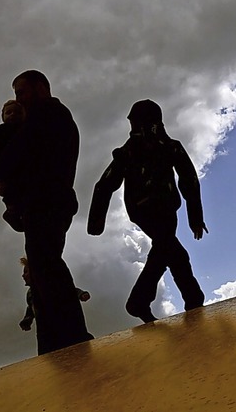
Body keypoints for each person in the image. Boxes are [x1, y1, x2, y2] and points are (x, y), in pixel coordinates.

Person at [0, 70, 93, 354]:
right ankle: (53, 341)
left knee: (46, 266)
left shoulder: (48, 114)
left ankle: (71, 338)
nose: (19, 99)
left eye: (21, 92)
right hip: (45, 202)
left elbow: (18, 151)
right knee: (41, 269)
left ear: (40, 88)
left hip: (47, 202)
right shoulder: (47, 117)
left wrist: (0, 174)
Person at [88, 99, 208, 324]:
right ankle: (186, 300)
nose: (132, 126)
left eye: (135, 121)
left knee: (166, 252)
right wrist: (96, 222)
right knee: (173, 251)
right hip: (144, 210)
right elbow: (104, 184)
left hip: (166, 209)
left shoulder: (169, 147)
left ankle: (143, 302)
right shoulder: (128, 152)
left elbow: (189, 179)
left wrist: (195, 216)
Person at [18, 257, 91, 354]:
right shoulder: (30, 294)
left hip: (65, 327)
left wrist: (81, 294)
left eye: (26, 272)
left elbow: (70, 291)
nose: (23, 276)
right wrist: (27, 319)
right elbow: (31, 308)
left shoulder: (52, 284)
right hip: (46, 335)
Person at [0, 99, 25, 232]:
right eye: (9, 112)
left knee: (18, 191)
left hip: (19, 172)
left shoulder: (25, 130)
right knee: (11, 193)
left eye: (18, 112)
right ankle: (11, 211)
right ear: (3, 116)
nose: (13, 115)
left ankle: (15, 212)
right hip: (4, 172)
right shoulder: (0, 131)